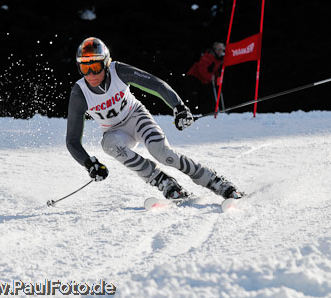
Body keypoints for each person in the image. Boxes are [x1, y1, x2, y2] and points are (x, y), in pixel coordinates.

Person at [66, 37, 242, 201]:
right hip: (115, 132)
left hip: (136, 118)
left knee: (163, 154)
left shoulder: (118, 71)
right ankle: (163, 181)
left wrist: (179, 107)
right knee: (108, 145)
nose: (90, 75)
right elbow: (72, 141)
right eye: (84, 68)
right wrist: (89, 164)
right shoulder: (79, 93)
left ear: (105, 64)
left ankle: (215, 180)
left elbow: (156, 84)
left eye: (95, 67)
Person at [183, 42, 226, 115]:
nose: (220, 51)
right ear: (214, 50)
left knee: (206, 96)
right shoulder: (208, 57)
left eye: (222, 49)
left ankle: (207, 112)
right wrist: (210, 77)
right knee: (194, 98)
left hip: (203, 80)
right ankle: (190, 113)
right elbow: (202, 70)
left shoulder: (218, 59)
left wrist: (217, 78)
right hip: (194, 78)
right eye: (219, 49)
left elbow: (214, 71)